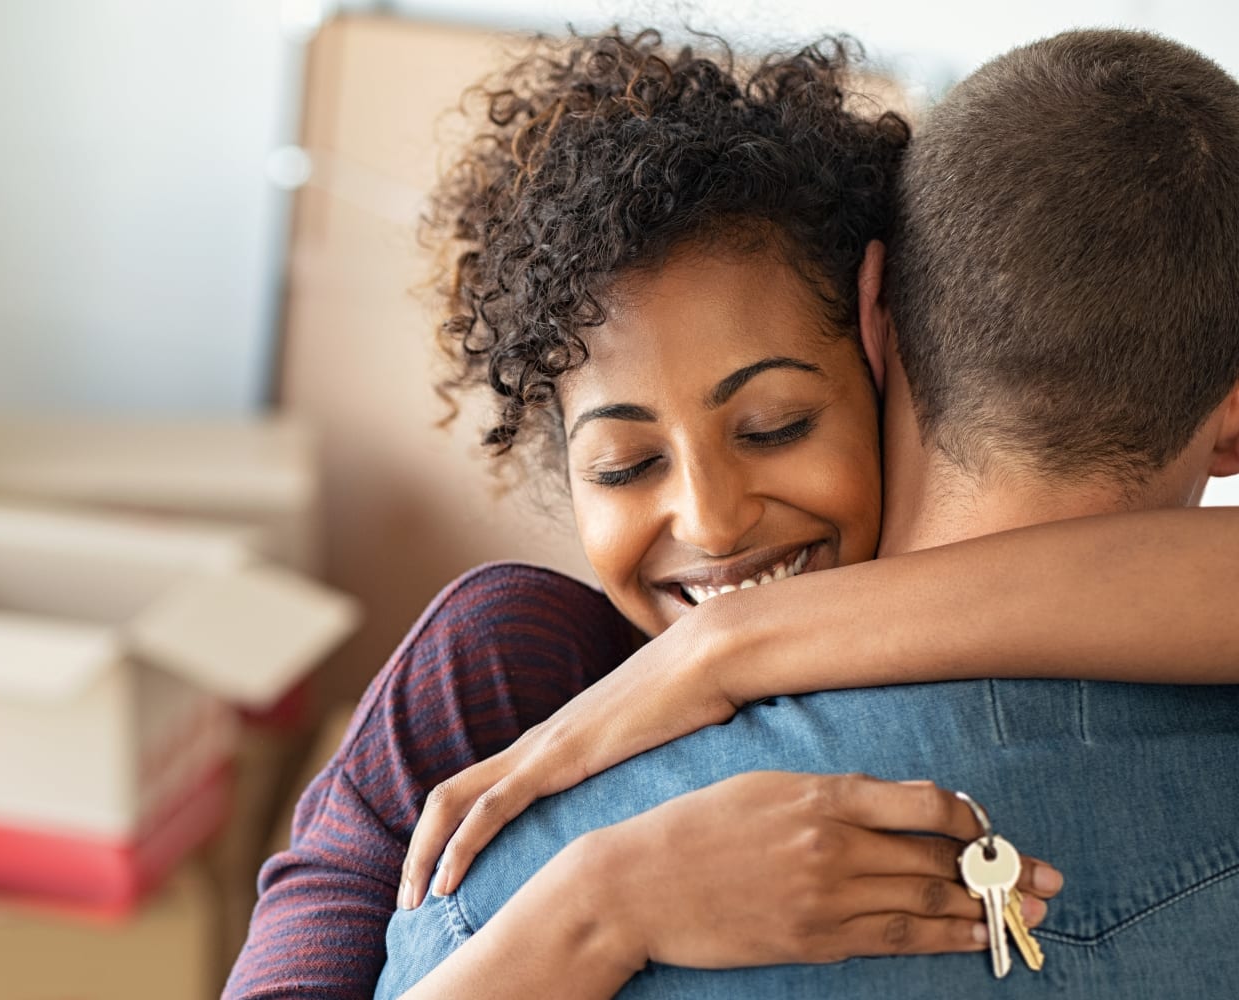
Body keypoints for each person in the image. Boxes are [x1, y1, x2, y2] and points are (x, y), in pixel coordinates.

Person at [222, 26, 1239, 1000]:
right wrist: (598, 907)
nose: (711, 521)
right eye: (623, 465)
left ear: (877, 338)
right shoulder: (494, 670)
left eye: (773, 426)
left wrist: (727, 646)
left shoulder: (515, 871)